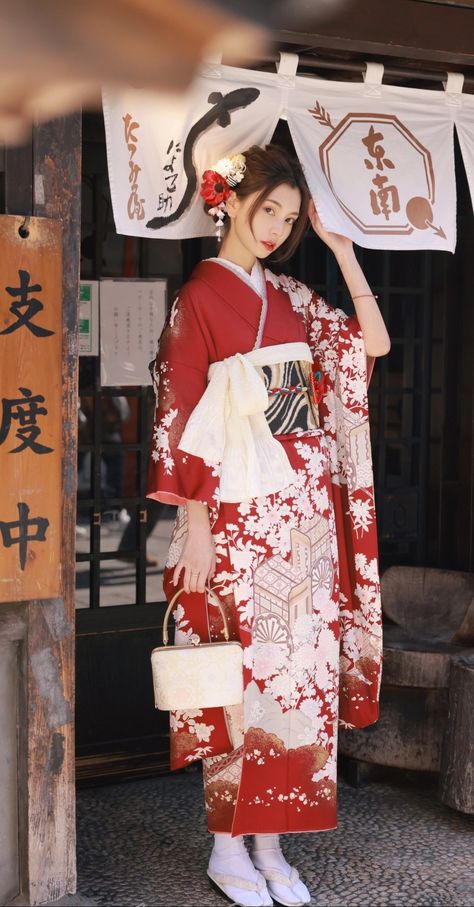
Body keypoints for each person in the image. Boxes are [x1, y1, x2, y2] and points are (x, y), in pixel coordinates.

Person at [147, 144, 390, 907]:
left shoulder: (288, 294)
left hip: (303, 520)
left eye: (290, 218)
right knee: (239, 682)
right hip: (235, 516)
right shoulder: (197, 300)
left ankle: (273, 845)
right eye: (270, 211)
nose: (279, 227)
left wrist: (342, 253)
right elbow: (182, 416)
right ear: (230, 201)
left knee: (300, 680)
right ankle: (227, 846)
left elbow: (371, 347)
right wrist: (194, 527)